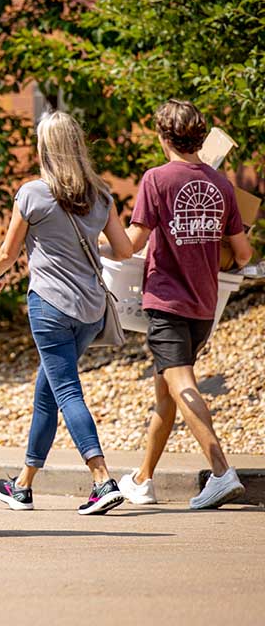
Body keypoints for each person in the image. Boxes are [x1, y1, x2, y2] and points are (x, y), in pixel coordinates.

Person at [0, 111, 133, 515]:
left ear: (45, 149)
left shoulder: (32, 193)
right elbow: (124, 251)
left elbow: (7, 252)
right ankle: (23, 484)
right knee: (48, 394)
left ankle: (102, 477)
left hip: (49, 305)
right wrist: (89, 248)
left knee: (66, 390)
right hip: (89, 309)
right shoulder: (102, 195)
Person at [111, 100, 252, 509]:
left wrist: (96, 243)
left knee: (181, 385)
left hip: (166, 302)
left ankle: (222, 471)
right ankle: (143, 479)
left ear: (162, 136)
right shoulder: (222, 184)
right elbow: (242, 254)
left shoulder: (156, 179)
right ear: (200, 138)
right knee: (167, 395)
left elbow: (134, 243)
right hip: (204, 305)